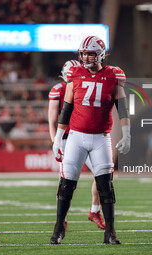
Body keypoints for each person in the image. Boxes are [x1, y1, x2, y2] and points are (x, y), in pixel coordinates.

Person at [50, 35, 131, 245]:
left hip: (101, 138)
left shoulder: (113, 74)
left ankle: (110, 232)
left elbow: (121, 106)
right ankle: (59, 229)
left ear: (101, 54)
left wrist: (127, 132)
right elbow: (66, 108)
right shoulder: (74, 73)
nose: (86, 57)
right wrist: (58, 137)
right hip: (76, 136)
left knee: (106, 185)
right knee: (66, 184)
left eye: (91, 53)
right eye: (84, 53)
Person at [48, 60, 105, 230]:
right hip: (67, 138)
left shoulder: (90, 83)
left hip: (89, 135)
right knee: (65, 181)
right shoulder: (59, 89)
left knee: (102, 176)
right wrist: (55, 142)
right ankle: (62, 219)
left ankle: (95, 210)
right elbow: (52, 120)